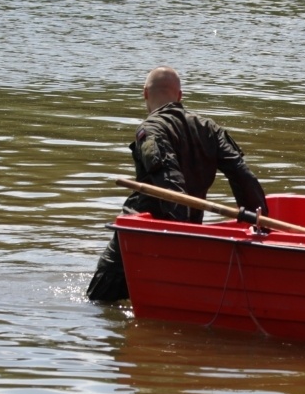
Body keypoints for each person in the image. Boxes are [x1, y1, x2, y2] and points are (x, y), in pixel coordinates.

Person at [85, 66, 267, 302]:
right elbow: (243, 177)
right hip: (188, 231)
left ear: (145, 93)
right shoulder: (210, 128)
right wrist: (260, 226)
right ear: (180, 96)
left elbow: (171, 184)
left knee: (99, 302)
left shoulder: (150, 129)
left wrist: (177, 241)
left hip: (143, 232)